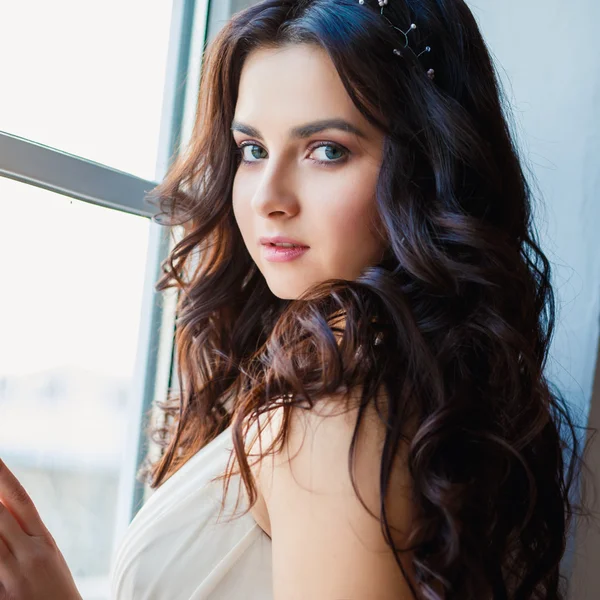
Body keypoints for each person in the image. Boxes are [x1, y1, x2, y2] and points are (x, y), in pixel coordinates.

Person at [0, 0, 590, 599]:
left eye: (327, 150)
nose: (268, 197)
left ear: (426, 169)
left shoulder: (338, 406)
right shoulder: (402, 384)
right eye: (253, 149)